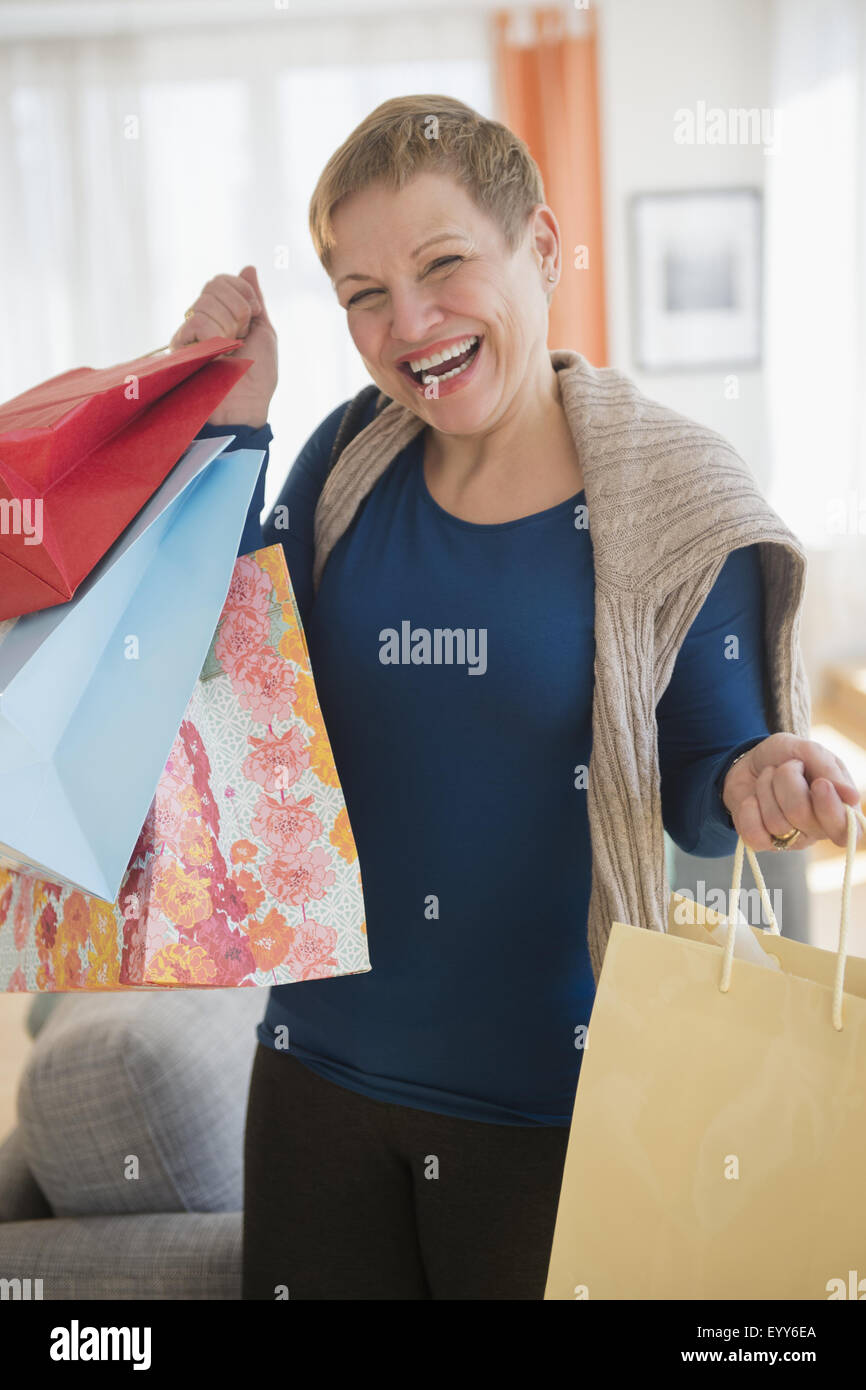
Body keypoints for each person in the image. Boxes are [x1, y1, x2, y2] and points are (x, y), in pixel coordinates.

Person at [170, 95, 862, 1301]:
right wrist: (232, 430)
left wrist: (758, 776)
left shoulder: (673, 496)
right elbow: (235, 684)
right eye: (365, 294)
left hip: (558, 1106)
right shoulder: (346, 459)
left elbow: (703, 790)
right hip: (315, 1079)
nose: (410, 324)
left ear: (540, 246)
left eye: (443, 265)